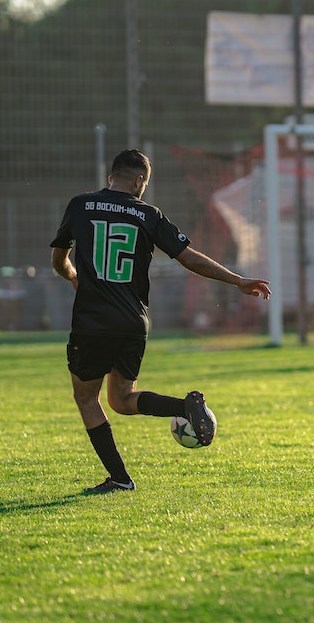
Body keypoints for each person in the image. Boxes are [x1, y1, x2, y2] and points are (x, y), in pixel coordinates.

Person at [50, 149, 271, 494]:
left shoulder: (81, 205)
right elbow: (189, 259)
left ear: (112, 175)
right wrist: (237, 280)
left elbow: (58, 260)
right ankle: (185, 406)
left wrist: (73, 275)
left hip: (92, 321)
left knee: (87, 399)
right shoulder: (148, 214)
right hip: (133, 321)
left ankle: (120, 479)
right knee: (122, 399)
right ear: (138, 180)